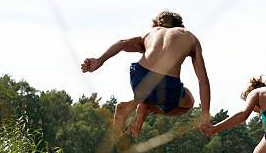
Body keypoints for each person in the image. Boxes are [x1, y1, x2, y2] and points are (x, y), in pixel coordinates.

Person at [81, 10, 211, 137]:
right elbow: (202, 81)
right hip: (166, 83)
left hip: (139, 74)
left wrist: (99, 60)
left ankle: (131, 108)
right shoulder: (189, 37)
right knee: (188, 102)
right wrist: (205, 117)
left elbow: (122, 43)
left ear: (156, 24)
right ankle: (147, 108)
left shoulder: (151, 33)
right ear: (180, 25)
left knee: (150, 93)